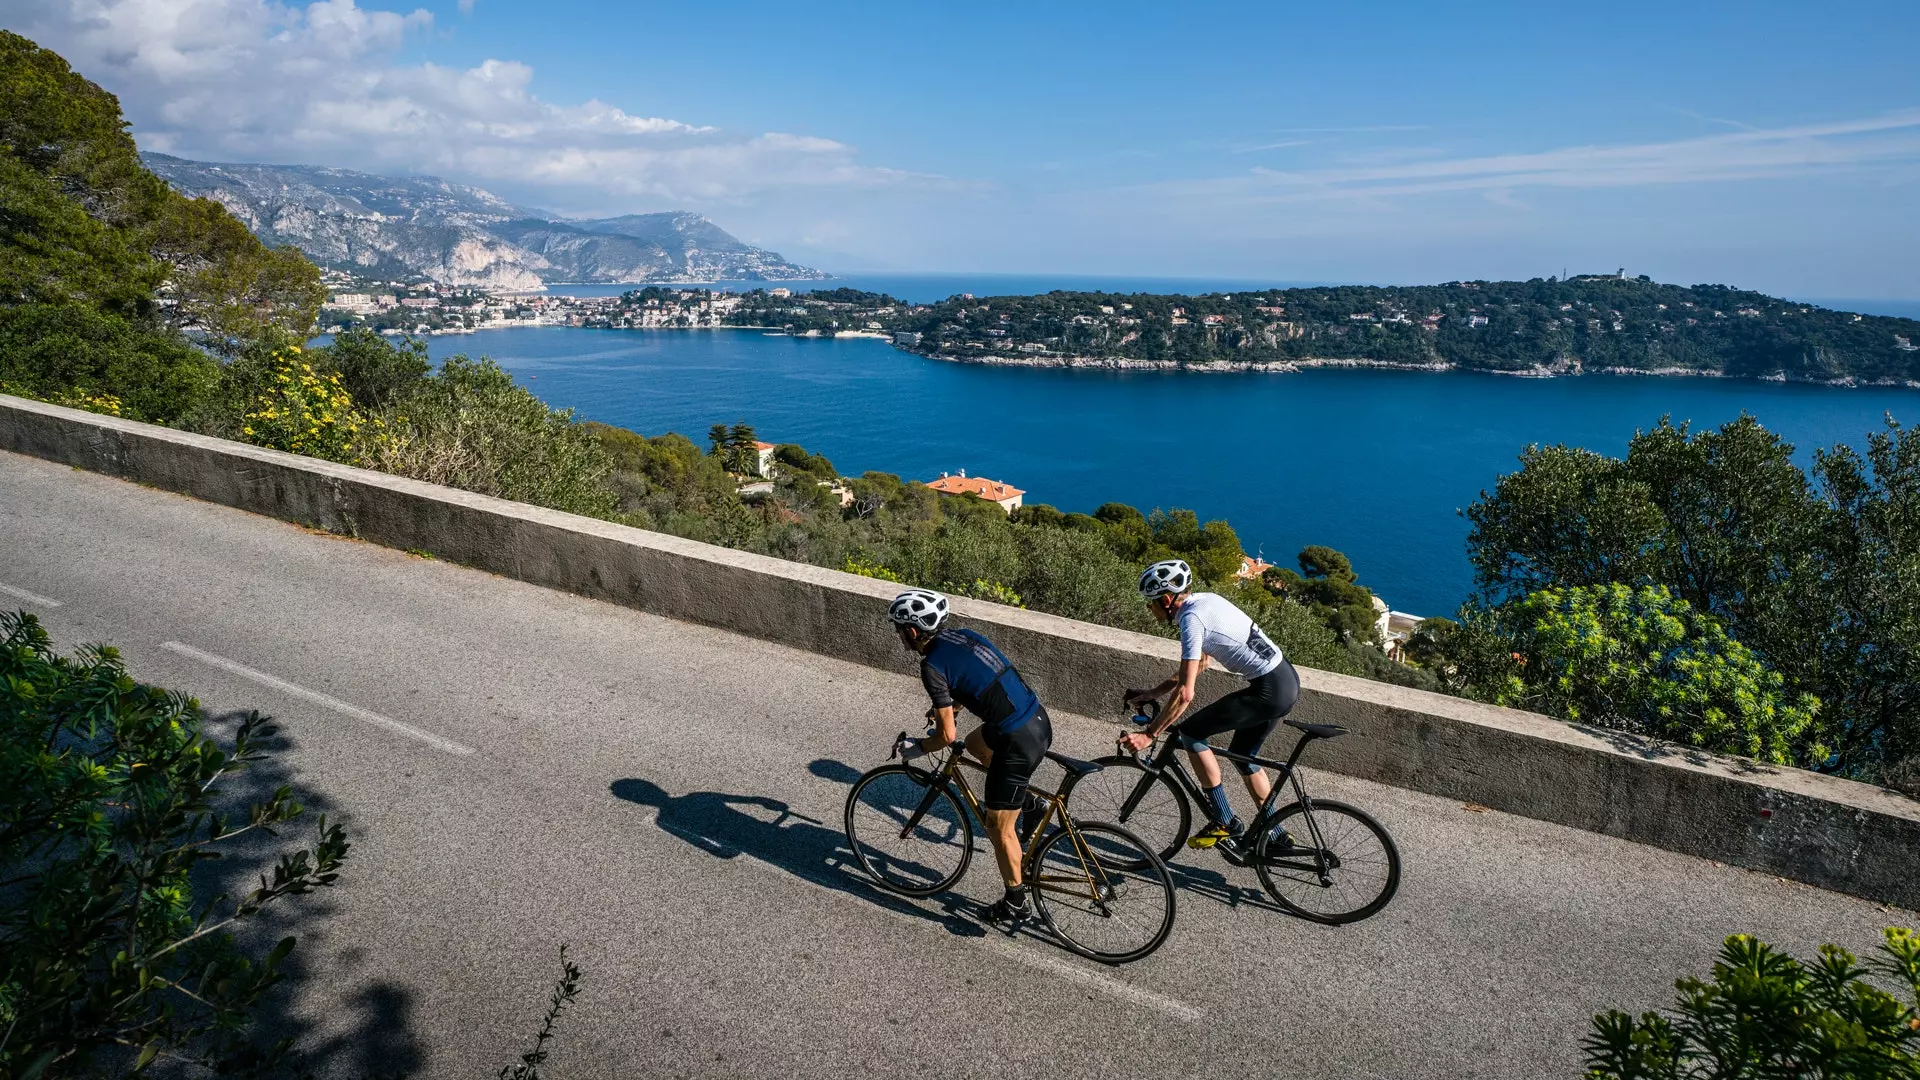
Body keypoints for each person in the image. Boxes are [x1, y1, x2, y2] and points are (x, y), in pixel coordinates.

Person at [889, 588, 1054, 923]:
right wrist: (948, 705)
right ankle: (1031, 805)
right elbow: (981, 678)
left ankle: (1016, 903)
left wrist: (918, 748)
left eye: (899, 630)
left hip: (1015, 741)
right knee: (976, 745)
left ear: (912, 631)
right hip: (1035, 718)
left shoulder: (931, 665)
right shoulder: (963, 636)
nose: (899, 636)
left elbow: (945, 737)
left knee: (998, 827)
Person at [1118, 559, 1302, 859]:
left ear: (1166, 600)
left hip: (1268, 691)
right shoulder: (1205, 601)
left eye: (1150, 604)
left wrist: (1150, 734)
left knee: (1190, 734)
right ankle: (1277, 835)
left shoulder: (1192, 621)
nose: (1149, 610)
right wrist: (1154, 692)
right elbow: (1201, 664)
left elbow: (1186, 694)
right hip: (1286, 681)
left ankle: (1225, 821)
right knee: (1244, 756)